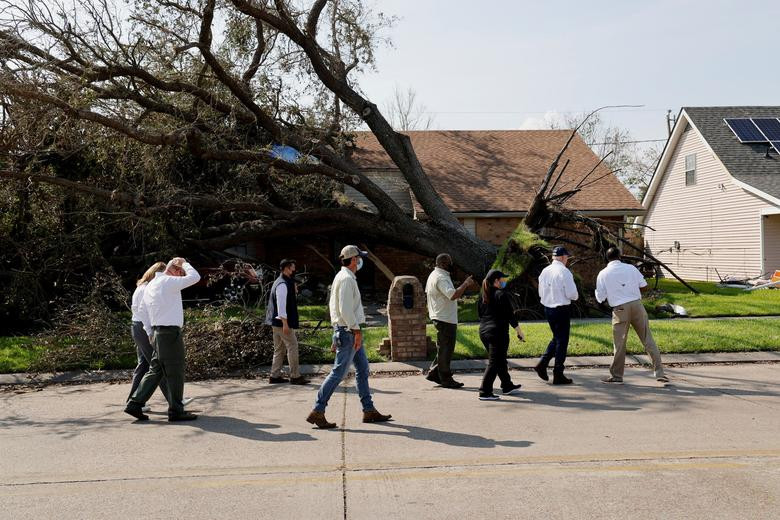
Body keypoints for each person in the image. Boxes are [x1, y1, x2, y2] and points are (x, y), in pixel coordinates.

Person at [306, 245, 392, 429]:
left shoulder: (343, 277)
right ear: (353, 260)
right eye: (359, 258)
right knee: (338, 373)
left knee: (363, 369)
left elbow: (336, 308)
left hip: (346, 331)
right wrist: (356, 331)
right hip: (349, 332)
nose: (360, 261)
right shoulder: (346, 279)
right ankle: (318, 410)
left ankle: (368, 409)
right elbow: (345, 310)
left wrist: (338, 332)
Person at [125, 257, 201, 422]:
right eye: (181, 273)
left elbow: (141, 310)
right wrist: (184, 263)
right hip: (170, 333)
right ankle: (176, 410)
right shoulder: (168, 281)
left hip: (157, 332)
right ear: (175, 270)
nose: (181, 276)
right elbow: (195, 277)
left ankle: (135, 403)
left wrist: (149, 331)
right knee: (175, 371)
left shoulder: (151, 284)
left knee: (156, 370)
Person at [595, 247, 669, 384]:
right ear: (620, 256)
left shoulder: (603, 273)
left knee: (619, 343)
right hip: (637, 305)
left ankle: (617, 375)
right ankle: (659, 372)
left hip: (619, 309)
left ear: (607, 258)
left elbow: (600, 297)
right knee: (647, 339)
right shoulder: (631, 268)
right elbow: (644, 286)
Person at [424, 253, 475, 389]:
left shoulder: (434, 275)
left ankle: (434, 373)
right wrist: (465, 284)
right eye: (449, 262)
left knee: (443, 348)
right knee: (446, 350)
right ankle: (446, 379)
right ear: (443, 264)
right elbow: (453, 295)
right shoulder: (440, 277)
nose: (452, 264)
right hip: (444, 318)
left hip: (441, 316)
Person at [477, 269, 524, 401]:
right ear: (496, 281)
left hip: (484, 332)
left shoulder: (483, 296)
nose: (504, 281)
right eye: (502, 279)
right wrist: (519, 331)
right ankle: (485, 391)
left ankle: (507, 385)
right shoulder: (501, 294)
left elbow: (480, 315)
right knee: (495, 362)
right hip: (497, 333)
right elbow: (510, 315)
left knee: (500, 360)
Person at [535, 246, 578, 385]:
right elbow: (572, 294)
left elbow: (540, 292)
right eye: (567, 257)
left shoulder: (545, 271)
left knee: (557, 338)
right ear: (563, 257)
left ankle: (543, 363)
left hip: (548, 308)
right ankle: (558, 373)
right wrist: (574, 297)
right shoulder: (564, 272)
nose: (567, 260)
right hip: (561, 309)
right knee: (562, 341)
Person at [265, 259, 309, 385]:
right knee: (292, 346)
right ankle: (295, 376)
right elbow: (281, 306)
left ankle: (274, 376)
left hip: (276, 323)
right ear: (286, 268)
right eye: (292, 268)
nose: (294, 270)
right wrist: (285, 323)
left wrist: (294, 291)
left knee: (279, 349)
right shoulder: (282, 284)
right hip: (282, 323)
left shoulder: (282, 282)